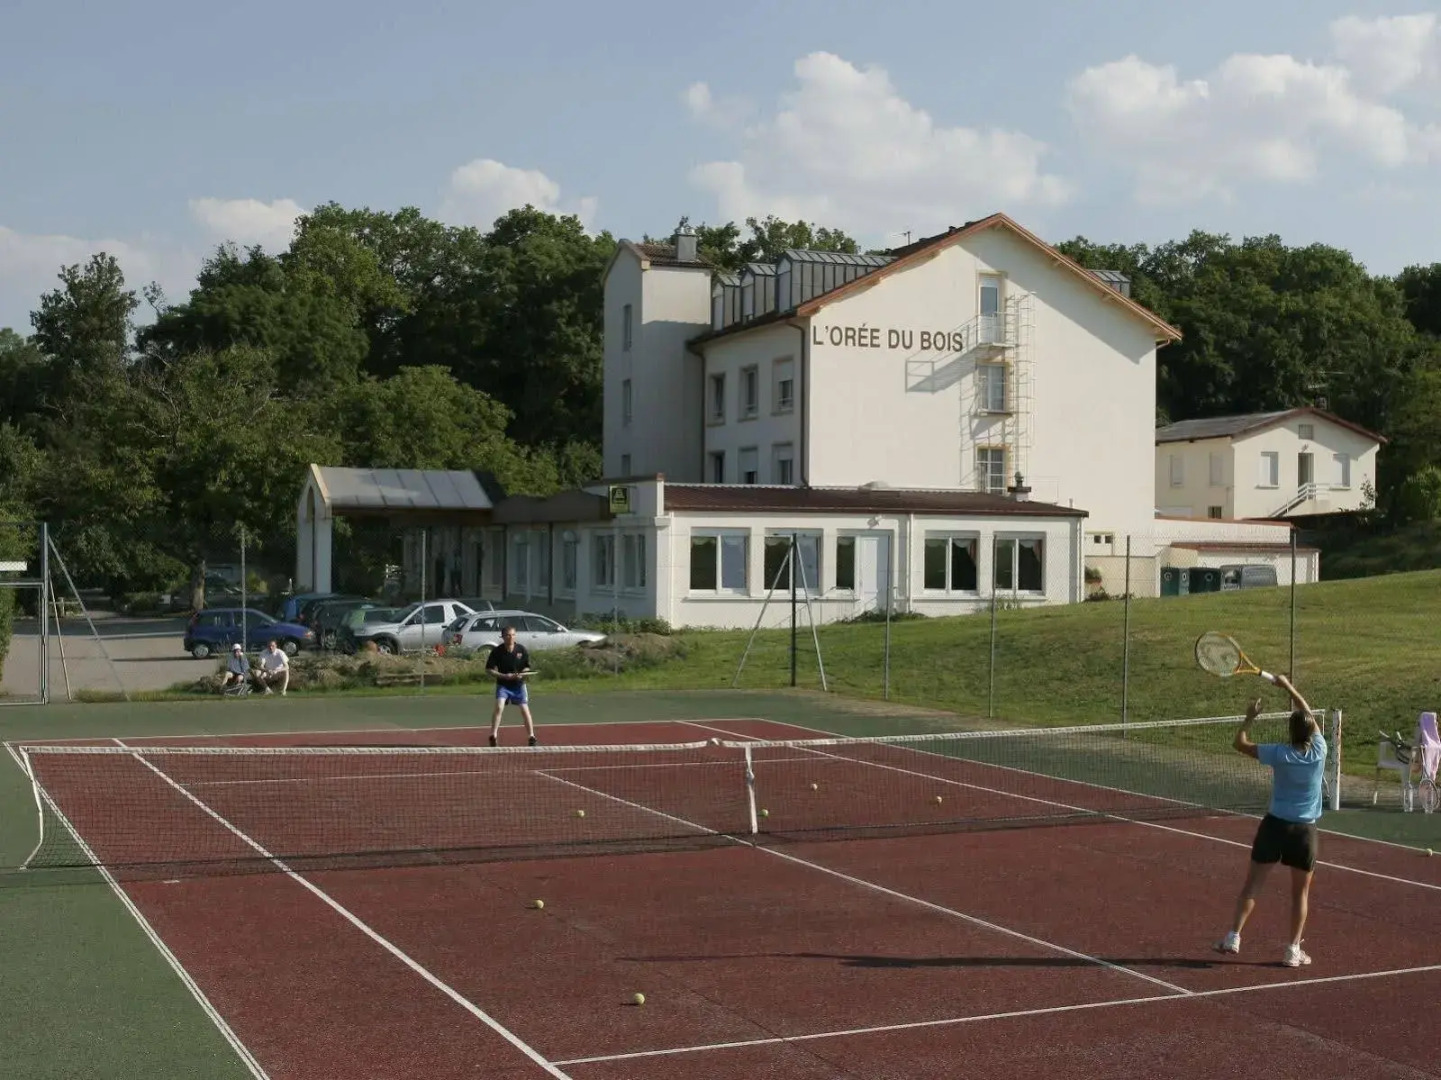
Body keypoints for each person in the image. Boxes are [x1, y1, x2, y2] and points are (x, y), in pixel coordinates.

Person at [1214, 673, 1325, 968]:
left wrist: (1249, 718)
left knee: (1253, 885)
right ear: (1311, 731)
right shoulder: (1320, 750)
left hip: (1274, 827)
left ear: (1289, 731)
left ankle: (1233, 936)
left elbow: (1240, 743)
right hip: (1304, 833)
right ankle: (1292, 950)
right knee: (1299, 893)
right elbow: (1308, 713)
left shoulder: (1278, 753)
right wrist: (1287, 686)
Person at [485, 625, 537, 747]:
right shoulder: (497, 651)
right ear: (502, 637)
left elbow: (527, 666)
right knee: (499, 707)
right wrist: (503, 676)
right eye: (508, 635)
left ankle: (531, 736)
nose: (511, 637)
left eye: (513, 635)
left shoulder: (521, 649)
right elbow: (489, 670)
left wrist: (522, 674)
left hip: (518, 685)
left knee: (525, 710)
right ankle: (493, 735)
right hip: (503, 685)